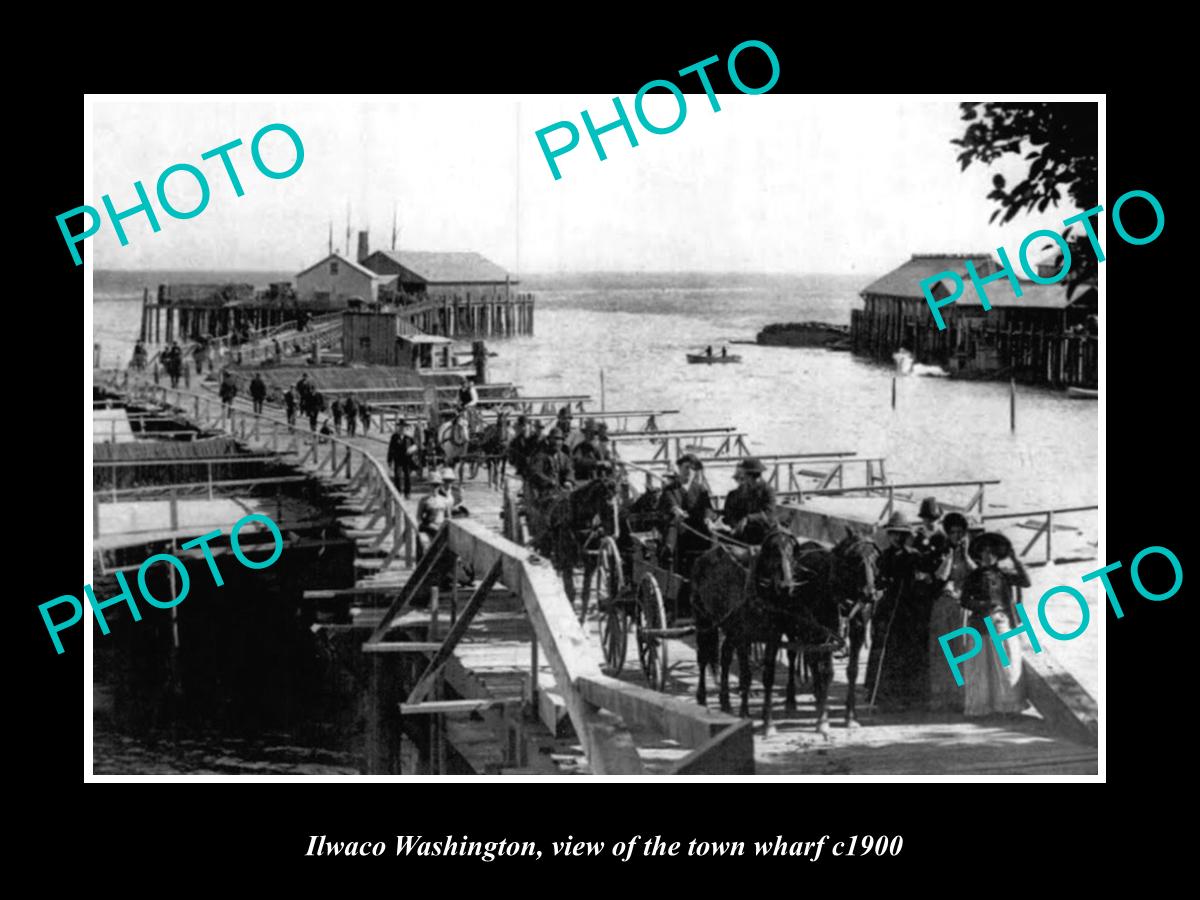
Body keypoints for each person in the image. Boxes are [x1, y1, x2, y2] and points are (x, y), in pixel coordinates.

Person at [959, 533, 1031, 717]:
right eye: (984, 552)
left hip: (1001, 621)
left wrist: (1015, 559)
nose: (987, 556)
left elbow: (1026, 581)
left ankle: (1008, 707)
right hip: (979, 624)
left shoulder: (1004, 575)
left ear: (997, 555)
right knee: (980, 666)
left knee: (1006, 661)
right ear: (979, 555)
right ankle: (980, 708)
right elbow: (965, 600)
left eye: (991, 552)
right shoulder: (973, 576)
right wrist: (982, 605)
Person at [865, 511, 929, 710]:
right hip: (888, 607)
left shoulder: (914, 556)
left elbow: (923, 576)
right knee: (885, 649)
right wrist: (881, 586)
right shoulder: (883, 556)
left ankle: (910, 696)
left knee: (908, 651)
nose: (896, 538)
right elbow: (879, 578)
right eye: (893, 533)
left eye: (900, 534)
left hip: (908, 610)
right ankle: (883, 694)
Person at [928, 511, 974, 712]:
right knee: (941, 650)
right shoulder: (941, 550)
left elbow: (975, 574)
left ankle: (960, 695)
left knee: (961, 649)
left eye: (959, 532)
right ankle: (940, 695)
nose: (956, 535)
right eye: (952, 532)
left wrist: (964, 555)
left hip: (962, 605)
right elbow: (940, 577)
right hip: (943, 603)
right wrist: (949, 555)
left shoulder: (969, 553)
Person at [658, 454, 714, 580]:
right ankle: (669, 573)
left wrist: (708, 518)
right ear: (679, 468)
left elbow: (708, 508)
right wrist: (675, 510)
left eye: (693, 469)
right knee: (670, 544)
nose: (689, 471)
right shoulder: (670, 489)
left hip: (696, 527)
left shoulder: (701, 490)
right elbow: (668, 504)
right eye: (686, 467)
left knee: (711, 542)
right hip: (676, 527)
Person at [720, 457, 776, 538]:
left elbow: (768, 515)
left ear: (751, 477)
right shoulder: (746, 490)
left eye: (745, 477)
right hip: (746, 532)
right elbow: (735, 512)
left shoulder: (768, 491)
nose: (743, 481)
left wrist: (748, 518)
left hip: (764, 533)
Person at [416, 468, 462, 554]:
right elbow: (419, 517)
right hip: (429, 527)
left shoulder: (444, 500)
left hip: (441, 526)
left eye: (436, 485)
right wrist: (426, 525)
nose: (434, 488)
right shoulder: (424, 500)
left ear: (440, 485)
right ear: (429, 486)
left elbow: (448, 517)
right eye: (432, 485)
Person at [526, 428, 574, 501]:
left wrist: (568, 481)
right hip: (545, 492)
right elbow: (536, 472)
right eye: (554, 439)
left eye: (559, 439)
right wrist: (549, 481)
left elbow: (569, 470)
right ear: (549, 441)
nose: (557, 442)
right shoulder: (540, 456)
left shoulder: (564, 457)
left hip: (562, 491)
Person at [387, 418, 420, 499]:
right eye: (400, 427)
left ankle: (407, 493)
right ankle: (398, 492)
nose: (402, 429)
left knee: (407, 476)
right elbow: (391, 448)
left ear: (405, 428)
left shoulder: (408, 437)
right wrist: (389, 460)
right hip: (397, 459)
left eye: (403, 427)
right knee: (397, 476)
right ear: (398, 428)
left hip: (407, 459)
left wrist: (412, 449)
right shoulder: (394, 437)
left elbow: (415, 446)